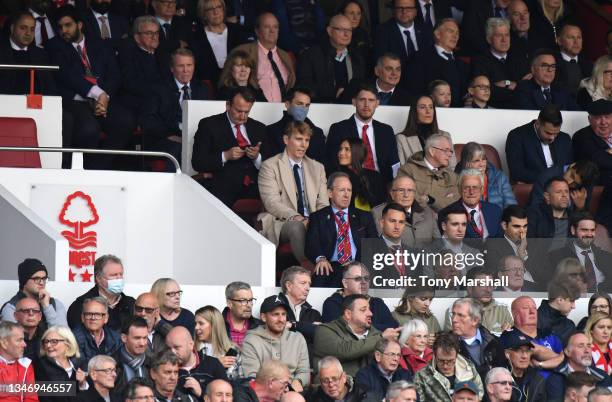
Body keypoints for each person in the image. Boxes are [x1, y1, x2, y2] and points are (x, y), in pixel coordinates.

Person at [46, 5, 136, 170]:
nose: (63, 31)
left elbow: (115, 74)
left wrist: (104, 98)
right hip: (75, 100)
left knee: (126, 121)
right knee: (89, 130)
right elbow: (68, 76)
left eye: (68, 25)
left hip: (103, 97)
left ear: (79, 25)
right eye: (59, 27)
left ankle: (98, 167)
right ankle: (82, 169)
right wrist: (98, 94)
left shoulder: (98, 43)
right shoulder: (54, 46)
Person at [258, 121, 329, 263]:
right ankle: (308, 269)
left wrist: (318, 221)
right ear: (286, 140)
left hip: (313, 220)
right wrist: (298, 218)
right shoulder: (270, 166)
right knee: (297, 227)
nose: (303, 145)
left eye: (307, 140)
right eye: (298, 139)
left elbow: (323, 203)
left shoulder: (317, 167)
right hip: (283, 221)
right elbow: (272, 203)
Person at [191, 86, 268, 207]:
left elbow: (271, 163)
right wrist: (225, 156)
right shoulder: (209, 125)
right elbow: (198, 162)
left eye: (247, 112)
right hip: (223, 187)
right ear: (228, 105)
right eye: (238, 111)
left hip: (255, 187)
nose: (243, 116)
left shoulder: (259, 128)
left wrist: (257, 157)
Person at [305, 173, 378, 288]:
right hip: (330, 266)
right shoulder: (318, 217)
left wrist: (358, 263)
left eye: (349, 190)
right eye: (342, 190)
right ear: (330, 193)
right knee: (319, 282)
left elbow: (373, 244)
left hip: (360, 264)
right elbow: (311, 243)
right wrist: (321, 258)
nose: (346, 195)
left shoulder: (364, 216)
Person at [140, 47, 209, 167]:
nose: (185, 70)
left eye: (189, 65)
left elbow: (209, 117)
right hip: (165, 138)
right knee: (180, 149)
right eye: (180, 66)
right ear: (172, 68)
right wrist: (171, 136)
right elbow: (148, 120)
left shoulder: (201, 88)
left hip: (195, 137)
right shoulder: (157, 88)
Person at [325, 83, 400, 184]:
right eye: (362, 100)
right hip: (351, 183)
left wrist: (395, 184)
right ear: (354, 102)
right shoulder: (338, 129)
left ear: (377, 103)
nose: (366, 104)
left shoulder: (386, 131)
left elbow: (395, 164)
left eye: (371, 100)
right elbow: (332, 164)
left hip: (382, 184)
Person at [313, 294, 400, 377]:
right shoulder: (324, 331)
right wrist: (381, 338)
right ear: (348, 314)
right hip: (336, 388)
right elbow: (345, 351)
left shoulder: (376, 334)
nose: (370, 314)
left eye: (369, 309)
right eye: (363, 310)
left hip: (371, 389)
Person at [241, 295, 310, 392]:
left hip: (292, 391)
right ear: (263, 317)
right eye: (275, 314)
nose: (281, 319)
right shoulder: (251, 340)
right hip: (265, 393)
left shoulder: (297, 338)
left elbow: (304, 371)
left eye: (283, 314)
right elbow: (252, 376)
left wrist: (298, 381)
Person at [296, 14, 365, 103]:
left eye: (349, 30)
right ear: (329, 31)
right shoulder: (311, 55)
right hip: (319, 108)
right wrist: (333, 94)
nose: (346, 34)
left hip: (349, 110)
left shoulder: (357, 58)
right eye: (341, 29)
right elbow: (304, 87)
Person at [233, 13, 295, 103]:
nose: (272, 31)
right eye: (267, 27)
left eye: (275, 27)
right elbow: (226, 81)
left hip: (282, 110)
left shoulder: (286, 56)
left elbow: (291, 86)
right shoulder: (242, 51)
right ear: (257, 31)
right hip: (253, 108)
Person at [505, 103, 573, 183]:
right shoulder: (517, 136)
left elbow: (570, 168)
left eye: (556, 133)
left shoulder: (564, 139)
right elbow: (518, 172)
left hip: (561, 189)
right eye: (548, 133)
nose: (552, 138)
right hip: (534, 186)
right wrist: (552, 178)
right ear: (537, 124)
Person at [470, 18, 530, 109]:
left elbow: (529, 89)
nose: (504, 40)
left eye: (507, 35)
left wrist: (505, 83)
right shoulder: (480, 61)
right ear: (489, 39)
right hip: (493, 110)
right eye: (499, 36)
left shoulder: (519, 58)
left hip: (520, 109)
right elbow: (487, 92)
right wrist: (514, 85)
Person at [320, 261, 398, 331]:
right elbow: (337, 331)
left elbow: (393, 328)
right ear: (345, 283)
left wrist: (357, 326)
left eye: (366, 278)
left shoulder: (377, 303)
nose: (363, 282)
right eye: (358, 278)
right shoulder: (332, 304)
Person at [116, 15, 167, 119]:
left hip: (162, 99)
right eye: (149, 33)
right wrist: (160, 93)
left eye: (156, 32)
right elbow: (131, 84)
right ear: (137, 38)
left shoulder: (164, 54)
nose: (154, 37)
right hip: (139, 102)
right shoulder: (127, 55)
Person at [67, 254, 135, 331]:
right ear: (99, 278)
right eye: (114, 275)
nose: (119, 279)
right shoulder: (81, 305)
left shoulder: (131, 304)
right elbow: (79, 337)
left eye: (121, 274)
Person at [548, 211, 612, 292]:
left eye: (592, 230)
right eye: (584, 230)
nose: (589, 234)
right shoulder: (557, 256)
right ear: (573, 230)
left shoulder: (607, 257)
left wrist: (598, 289)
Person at [373, 0, 428, 93]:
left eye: (409, 8)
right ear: (393, 11)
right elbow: (381, 63)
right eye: (400, 8)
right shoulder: (382, 31)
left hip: (423, 88)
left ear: (415, 11)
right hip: (395, 89)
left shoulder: (425, 30)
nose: (404, 11)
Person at [371, 175, 440, 248]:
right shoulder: (378, 213)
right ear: (392, 194)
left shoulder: (427, 211)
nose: (406, 195)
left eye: (410, 190)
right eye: (401, 190)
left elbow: (439, 243)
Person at [413, 331, 484, 402]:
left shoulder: (469, 369)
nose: (445, 366)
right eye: (441, 361)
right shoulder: (422, 376)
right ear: (434, 354)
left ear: (456, 355)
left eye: (450, 361)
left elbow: (479, 395)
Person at [448, 298, 507, 380]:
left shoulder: (494, 343)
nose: (454, 320)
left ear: (475, 320)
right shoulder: (446, 344)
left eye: (460, 315)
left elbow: (502, 377)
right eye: (453, 314)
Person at [398, 133, 460, 211]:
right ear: (432, 151)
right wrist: (444, 200)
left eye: (451, 151)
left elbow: (456, 204)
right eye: (446, 150)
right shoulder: (408, 170)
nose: (450, 155)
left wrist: (429, 200)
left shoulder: (452, 176)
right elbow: (408, 200)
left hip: (445, 221)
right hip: (419, 221)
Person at [189, 0, 245, 84]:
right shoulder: (197, 37)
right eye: (210, 9)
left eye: (219, 7)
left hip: (236, 83)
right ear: (203, 14)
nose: (216, 12)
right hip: (209, 86)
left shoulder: (237, 31)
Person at [266, 86, 326, 163]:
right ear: (287, 104)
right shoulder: (271, 131)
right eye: (299, 104)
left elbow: (322, 165)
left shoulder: (317, 133)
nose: (304, 108)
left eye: (307, 105)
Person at [546, 332, 612, 401]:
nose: (587, 350)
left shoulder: (602, 377)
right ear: (568, 352)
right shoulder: (557, 378)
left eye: (589, 346)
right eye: (581, 346)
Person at [1, 258, 67, 327]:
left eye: (44, 278)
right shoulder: (11, 308)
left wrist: (47, 307)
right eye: (36, 279)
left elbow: (64, 335)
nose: (41, 282)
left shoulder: (56, 304)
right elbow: (14, 337)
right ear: (24, 281)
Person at [165, 326, 228, 398]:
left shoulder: (212, 364)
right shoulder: (165, 370)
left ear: (191, 345)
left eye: (176, 347)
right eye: (168, 348)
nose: (172, 352)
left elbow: (226, 397)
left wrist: (201, 392)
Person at [506, 296, 564, 373]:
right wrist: (558, 359)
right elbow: (562, 358)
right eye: (526, 308)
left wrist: (541, 364)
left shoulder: (550, 335)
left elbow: (566, 362)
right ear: (514, 313)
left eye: (534, 308)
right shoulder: (509, 336)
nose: (532, 312)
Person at [419, 19, 469, 107]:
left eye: (457, 33)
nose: (455, 36)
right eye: (451, 31)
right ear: (437, 34)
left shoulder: (462, 64)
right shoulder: (420, 58)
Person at [456, 142, 516, 212]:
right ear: (467, 163)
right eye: (476, 161)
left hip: (499, 219)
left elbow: (511, 206)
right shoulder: (457, 179)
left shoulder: (500, 177)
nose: (482, 164)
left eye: (484, 159)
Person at [446, 168, 502, 242]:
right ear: (459, 189)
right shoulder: (447, 214)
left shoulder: (495, 210)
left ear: (482, 190)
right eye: (466, 187)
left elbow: (501, 242)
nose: (471, 192)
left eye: (475, 187)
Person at [514, 48, 579, 111]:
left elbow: (578, 113)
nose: (550, 70)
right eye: (544, 66)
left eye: (553, 66)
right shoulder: (523, 89)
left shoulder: (561, 89)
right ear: (533, 69)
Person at [395, 94, 452, 166]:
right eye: (422, 107)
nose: (428, 111)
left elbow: (452, 166)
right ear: (414, 111)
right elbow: (401, 169)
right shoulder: (402, 138)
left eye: (431, 107)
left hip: (443, 176)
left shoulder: (445, 136)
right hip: (414, 177)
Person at [34, 326, 88, 401]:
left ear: (68, 343)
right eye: (46, 341)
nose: (48, 345)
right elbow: (45, 396)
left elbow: (89, 396)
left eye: (54, 341)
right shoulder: (40, 365)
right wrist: (76, 386)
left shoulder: (78, 363)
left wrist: (82, 384)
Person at [335, 138, 387, 210]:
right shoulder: (337, 177)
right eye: (340, 149)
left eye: (347, 149)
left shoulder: (374, 176)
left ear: (357, 152)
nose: (341, 153)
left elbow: (381, 206)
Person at [193, 305, 243, 379]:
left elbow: (239, 381)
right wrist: (215, 364)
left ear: (214, 325)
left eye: (201, 323)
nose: (196, 327)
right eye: (195, 324)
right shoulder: (192, 349)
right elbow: (189, 377)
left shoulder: (233, 350)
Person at [277, 266, 322, 347]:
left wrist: (292, 325)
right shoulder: (274, 306)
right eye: (303, 283)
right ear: (289, 286)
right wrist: (308, 327)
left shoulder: (314, 314)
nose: (308, 288)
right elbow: (275, 334)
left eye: (309, 284)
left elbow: (318, 336)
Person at [572, 99, 612, 187]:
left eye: (607, 117)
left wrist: (607, 152)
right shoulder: (582, 136)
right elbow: (599, 161)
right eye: (598, 118)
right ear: (589, 119)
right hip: (601, 186)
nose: (603, 122)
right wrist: (604, 155)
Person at [529, 159, 599, 208]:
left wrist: (580, 207)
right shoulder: (547, 176)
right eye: (572, 176)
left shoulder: (586, 186)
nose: (569, 182)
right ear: (572, 165)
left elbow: (584, 218)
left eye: (575, 184)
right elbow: (535, 206)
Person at [500, 329, 547, 402]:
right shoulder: (498, 379)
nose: (524, 356)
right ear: (507, 354)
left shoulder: (538, 379)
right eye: (518, 350)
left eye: (527, 350)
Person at [72, 297, 122, 364]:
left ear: (106, 318)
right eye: (89, 314)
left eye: (98, 314)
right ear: (82, 318)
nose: (93, 318)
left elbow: (119, 364)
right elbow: (80, 366)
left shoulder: (116, 338)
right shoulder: (73, 338)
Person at [0, 321, 38, 402]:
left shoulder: (26, 364)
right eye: (19, 340)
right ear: (4, 343)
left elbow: (31, 399)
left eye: (23, 340)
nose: (24, 344)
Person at [112, 316, 151, 394]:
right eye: (137, 338)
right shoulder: (112, 365)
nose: (142, 343)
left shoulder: (153, 363)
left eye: (145, 338)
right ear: (124, 338)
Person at [555, 23, 592, 98]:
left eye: (579, 37)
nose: (576, 42)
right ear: (559, 41)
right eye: (571, 37)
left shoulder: (589, 66)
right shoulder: (551, 63)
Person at [538, 281, 580, 345]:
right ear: (560, 300)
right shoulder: (533, 320)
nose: (574, 306)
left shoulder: (569, 326)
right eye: (571, 301)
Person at [222, 282, 261, 347]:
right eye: (243, 301)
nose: (249, 305)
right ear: (229, 303)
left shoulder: (261, 326)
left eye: (251, 300)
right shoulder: (216, 326)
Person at [339, 0, 371, 71]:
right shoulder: (334, 34)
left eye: (358, 14)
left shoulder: (364, 34)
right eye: (351, 13)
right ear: (342, 14)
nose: (355, 18)